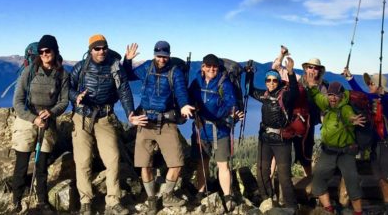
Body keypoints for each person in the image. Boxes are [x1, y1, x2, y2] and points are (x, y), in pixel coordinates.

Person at [122, 40, 195, 215]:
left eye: (165, 56)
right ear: (154, 54)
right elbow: (128, 75)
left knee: (177, 163)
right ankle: (152, 199)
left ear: (169, 55)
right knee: (144, 164)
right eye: (159, 56)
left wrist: (184, 104)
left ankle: (167, 194)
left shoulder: (175, 71)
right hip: (145, 121)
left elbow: (180, 91)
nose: (162, 59)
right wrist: (127, 60)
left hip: (166, 122)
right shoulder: (147, 67)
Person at [69, 34, 136, 215]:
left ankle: (113, 201)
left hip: (105, 118)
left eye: (104, 48)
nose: (101, 51)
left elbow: (124, 90)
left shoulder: (114, 67)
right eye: (97, 48)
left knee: (113, 158)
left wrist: (130, 112)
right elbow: (67, 88)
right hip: (82, 117)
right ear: (90, 50)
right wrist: (76, 97)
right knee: (83, 161)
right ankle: (86, 201)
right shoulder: (81, 67)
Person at [11, 35, 69, 213]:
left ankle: (42, 201)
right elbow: (17, 102)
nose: (44, 54)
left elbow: (64, 101)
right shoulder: (29, 72)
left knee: (41, 165)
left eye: (48, 51)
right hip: (27, 120)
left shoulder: (62, 74)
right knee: (21, 165)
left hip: (47, 121)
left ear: (55, 51)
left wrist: (51, 112)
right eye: (41, 51)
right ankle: (16, 202)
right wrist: (33, 118)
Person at [344, 69, 388, 215]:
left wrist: (381, 94)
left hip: (387, 145)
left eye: (371, 83)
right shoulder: (372, 99)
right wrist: (350, 79)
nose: (369, 85)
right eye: (369, 83)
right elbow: (362, 95)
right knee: (382, 181)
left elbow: (384, 100)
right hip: (375, 145)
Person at [188, 53, 243, 209]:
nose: (212, 69)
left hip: (220, 130)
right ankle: (200, 191)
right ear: (203, 67)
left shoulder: (224, 83)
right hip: (201, 129)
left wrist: (213, 114)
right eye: (209, 66)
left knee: (222, 165)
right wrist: (193, 110)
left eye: (215, 66)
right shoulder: (196, 81)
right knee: (202, 163)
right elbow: (188, 99)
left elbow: (231, 104)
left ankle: (227, 195)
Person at [307, 80, 366, 215]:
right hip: (329, 151)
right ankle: (329, 210)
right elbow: (317, 97)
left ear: (341, 96)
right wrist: (312, 88)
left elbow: (349, 115)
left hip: (346, 152)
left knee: (352, 181)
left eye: (335, 95)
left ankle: (358, 212)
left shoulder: (345, 107)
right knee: (318, 179)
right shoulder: (327, 103)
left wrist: (353, 119)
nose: (332, 98)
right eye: (330, 95)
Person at [248, 57, 299, 212]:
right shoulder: (264, 95)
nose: (271, 83)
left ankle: (291, 206)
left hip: (281, 141)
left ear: (278, 81)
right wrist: (249, 74)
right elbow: (250, 91)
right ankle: (267, 200)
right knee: (262, 171)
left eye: (274, 80)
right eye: (268, 80)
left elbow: (295, 93)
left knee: (284, 176)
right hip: (265, 139)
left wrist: (290, 72)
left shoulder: (285, 95)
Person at [271, 50, 324, 178]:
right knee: (278, 153)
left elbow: (324, 109)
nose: (312, 70)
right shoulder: (297, 79)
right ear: (305, 68)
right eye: (310, 67)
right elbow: (275, 68)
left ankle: (309, 185)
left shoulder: (322, 87)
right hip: (289, 122)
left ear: (319, 71)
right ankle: (268, 183)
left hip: (307, 127)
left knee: (305, 157)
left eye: (315, 68)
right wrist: (282, 54)